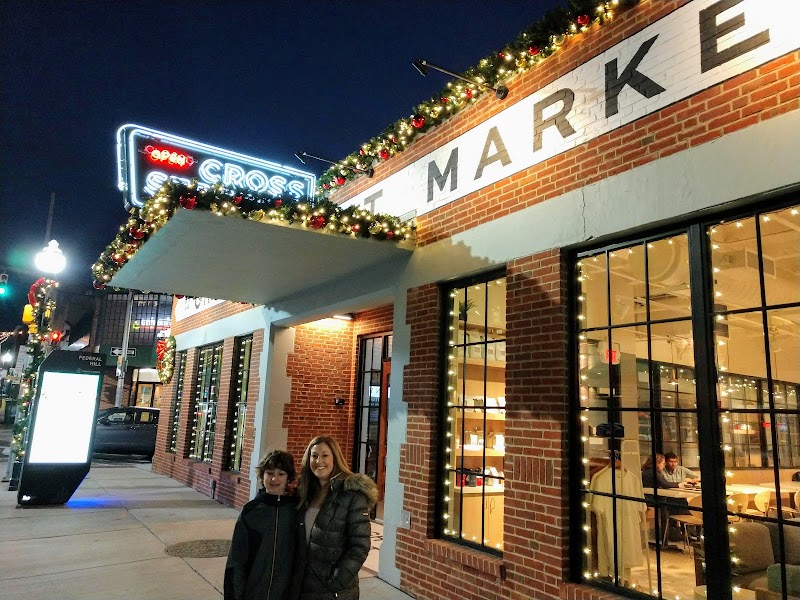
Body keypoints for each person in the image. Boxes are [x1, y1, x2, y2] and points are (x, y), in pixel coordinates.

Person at [292, 435, 378, 600]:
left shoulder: (352, 495)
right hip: (303, 587)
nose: (319, 461)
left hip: (334, 592)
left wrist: (336, 582)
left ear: (335, 458)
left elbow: (359, 547)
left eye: (325, 455)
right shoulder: (305, 493)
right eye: (314, 455)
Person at [224, 450, 297, 600]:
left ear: (288, 477)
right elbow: (237, 558)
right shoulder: (251, 511)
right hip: (254, 592)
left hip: (286, 593)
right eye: (269, 473)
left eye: (281, 474)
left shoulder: (296, 510)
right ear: (262, 475)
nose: (274, 478)